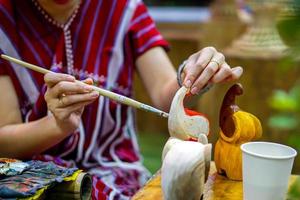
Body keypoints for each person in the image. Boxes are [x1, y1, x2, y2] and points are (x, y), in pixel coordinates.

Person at [0, 0, 243, 199]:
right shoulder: (5, 18)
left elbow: (164, 94)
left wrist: (191, 76)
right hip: (36, 179)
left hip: (118, 175)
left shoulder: (124, 9)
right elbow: (5, 139)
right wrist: (57, 126)